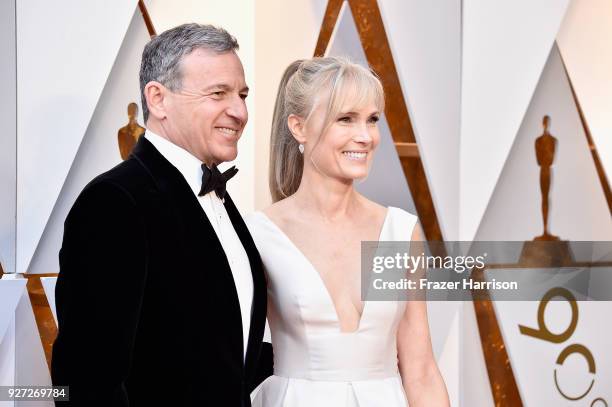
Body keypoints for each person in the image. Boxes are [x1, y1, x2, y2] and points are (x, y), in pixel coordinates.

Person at [52, 23, 271, 406]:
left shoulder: (215, 196)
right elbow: (86, 380)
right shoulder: (115, 201)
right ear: (158, 99)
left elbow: (220, 356)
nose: (239, 111)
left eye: (242, 94)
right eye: (218, 93)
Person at [246, 57, 449, 406]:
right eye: (345, 119)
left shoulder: (400, 232)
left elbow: (421, 370)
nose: (365, 136)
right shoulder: (259, 234)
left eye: (372, 120)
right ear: (299, 126)